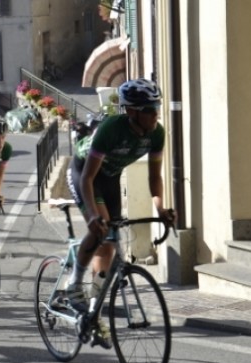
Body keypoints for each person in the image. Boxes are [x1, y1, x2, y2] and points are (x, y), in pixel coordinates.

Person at [67, 78, 176, 345]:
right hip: (85, 174)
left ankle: (92, 314)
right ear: (132, 111)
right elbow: (87, 179)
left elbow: (154, 177)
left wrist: (160, 207)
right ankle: (73, 286)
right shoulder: (110, 129)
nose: (155, 114)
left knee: (108, 248)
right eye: (149, 109)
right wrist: (93, 216)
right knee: (101, 225)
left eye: (156, 108)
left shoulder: (157, 133)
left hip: (111, 178)